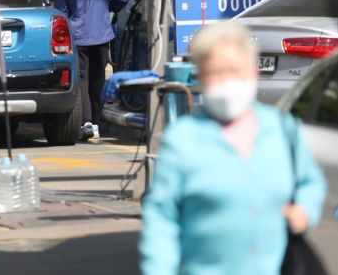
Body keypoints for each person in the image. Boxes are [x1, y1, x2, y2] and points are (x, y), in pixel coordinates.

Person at [139, 22, 326, 275]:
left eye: (236, 71)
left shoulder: (282, 129)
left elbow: (310, 181)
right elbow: (162, 218)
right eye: (216, 73)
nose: (227, 82)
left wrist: (305, 210)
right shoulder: (183, 140)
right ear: (201, 78)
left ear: (253, 72)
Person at [54, 0, 130, 140]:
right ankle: (98, 121)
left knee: (82, 80)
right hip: (102, 34)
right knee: (98, 79)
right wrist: (110, 9)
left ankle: (87, 122)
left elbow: (61, 11)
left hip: (79, 38)